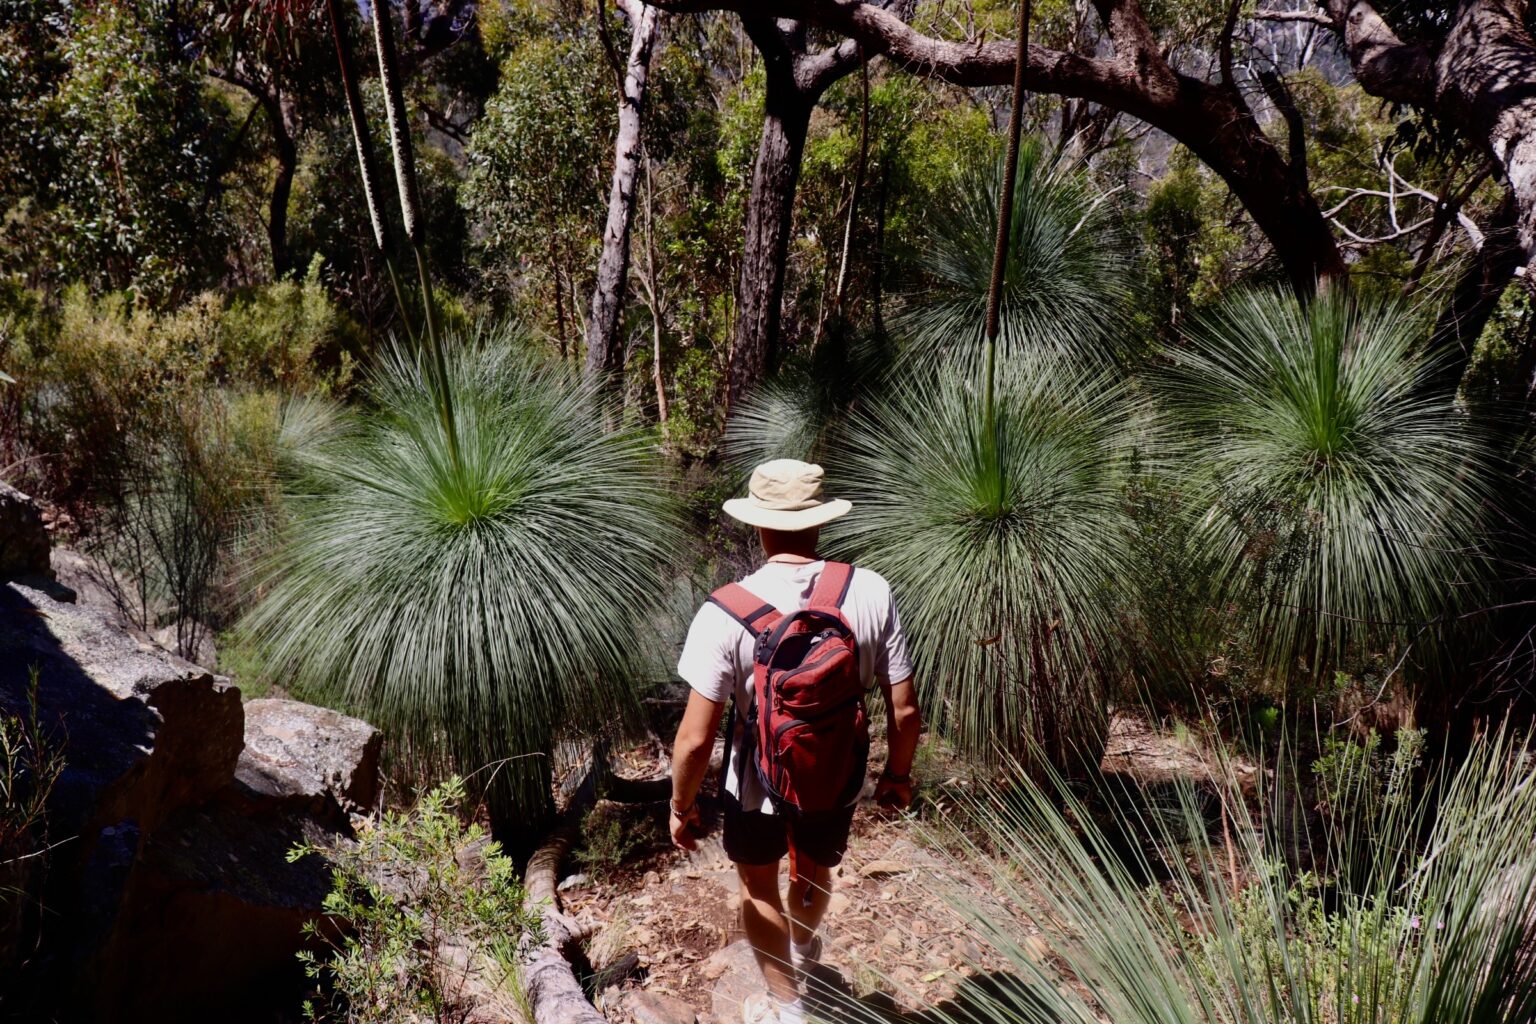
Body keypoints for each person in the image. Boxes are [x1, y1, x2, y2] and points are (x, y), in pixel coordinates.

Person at [669, 459, 923, 1024]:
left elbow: (693, 740)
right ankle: (805, 951)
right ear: (819, 521)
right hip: (835, 773)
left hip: (754, 783)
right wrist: (897, 777)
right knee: (812, 870)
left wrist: (681, 806)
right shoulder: (872, 591)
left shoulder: (724, 609)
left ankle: (788, 1009)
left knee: (758, 887)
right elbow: (904, 710)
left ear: (758, 527)